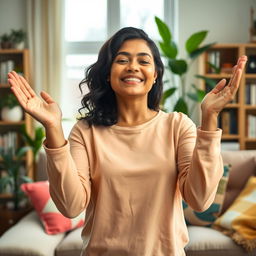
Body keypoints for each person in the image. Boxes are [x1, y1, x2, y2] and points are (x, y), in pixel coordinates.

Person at [8, 27, 247, 256]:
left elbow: (200, 199)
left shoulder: (177, 125)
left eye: (143, 61)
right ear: (108, 74)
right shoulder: (85, 131)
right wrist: (52, 127)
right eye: (122, 60)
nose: (133, 67)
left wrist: (209, 118)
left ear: (155, 75)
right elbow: (71, 206)